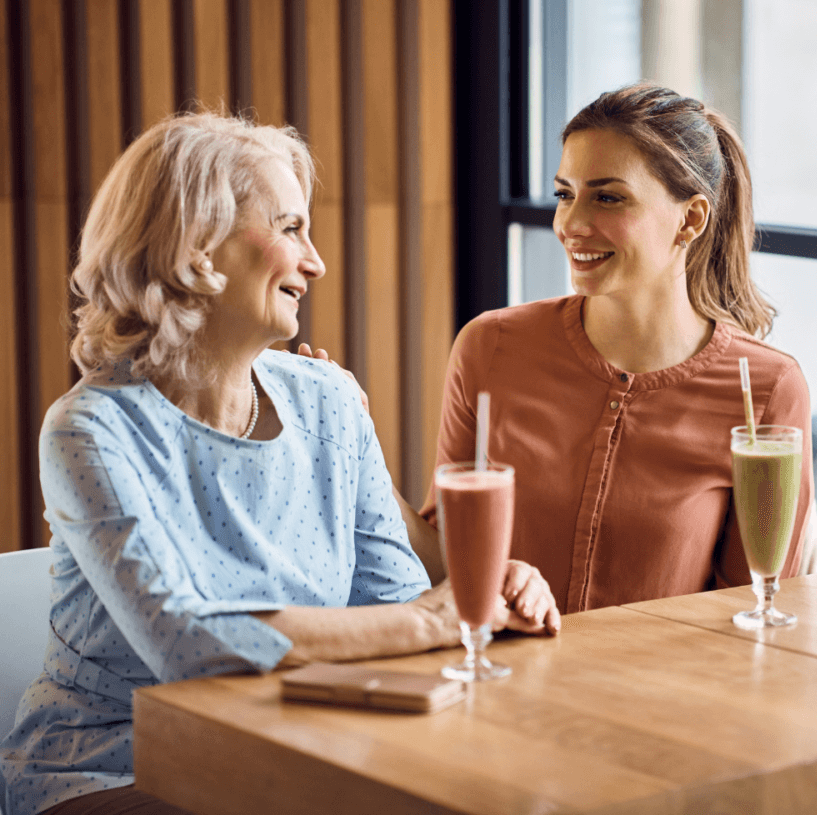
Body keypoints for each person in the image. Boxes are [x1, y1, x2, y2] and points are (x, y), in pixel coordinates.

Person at [0, 112, 556, 815]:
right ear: (198, 247)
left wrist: (475, 605)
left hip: (295, 755)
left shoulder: (330, 400)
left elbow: (399, 603)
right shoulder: (90, 429)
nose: (315, 262)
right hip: (111, 772)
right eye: (290, 228)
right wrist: (436, 619)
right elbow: (188, 641)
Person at [401, 83, 817, 614]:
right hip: (506, 666)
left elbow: (755, 610)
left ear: (691, 219)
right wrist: (357, 454)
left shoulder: (768, 388)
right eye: (565, 194)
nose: (570, 224)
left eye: (607, 197)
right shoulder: (491, 348)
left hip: (671, 671)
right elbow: (449, 565)